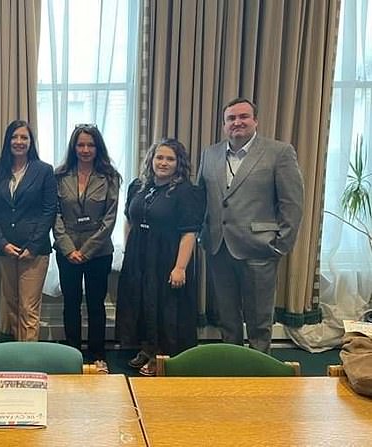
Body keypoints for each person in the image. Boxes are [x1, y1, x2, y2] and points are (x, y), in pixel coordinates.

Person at [197, 98, 304, 353]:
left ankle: (260, 376)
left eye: (243, 116)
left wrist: (280, 246)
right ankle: (233, 368)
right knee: (227, 319)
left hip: (260, 250)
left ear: (255, 120)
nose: (237, 122)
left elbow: (292, 204)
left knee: (259, 322)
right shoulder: (210, 154)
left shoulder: (279, 152)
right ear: (224, 125)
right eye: (231, 118)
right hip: (218, 248)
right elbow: (200, 198)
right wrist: (203, 236)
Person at [116, 139, 205, 376]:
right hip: (139, 255)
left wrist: (180, 267)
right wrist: (129, 251)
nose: (163, 163)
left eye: (170, 159)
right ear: (151, 159)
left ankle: (163, 356)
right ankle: (147, 348)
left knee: (165, 308)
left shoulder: (186, 191)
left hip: (168, 257)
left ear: (179, 163)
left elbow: (189, 233)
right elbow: (128, 219)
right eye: (159, 157)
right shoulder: (138, 185)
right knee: (141, 303)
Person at [53, 124, 121, 373]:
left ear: (97, 147)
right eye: (80, 144)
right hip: (66, 250)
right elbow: (55, 215)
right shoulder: (59, 176)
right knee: (70, 303)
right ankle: (72, 354)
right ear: (73, 147)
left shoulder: (110, 177)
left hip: (99, 252)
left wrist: (87, 250)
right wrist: (69, 249)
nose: (85, 149)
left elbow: (110, 219)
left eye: (90, 145)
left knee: (95, 305)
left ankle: (97, 355)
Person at [0, 120, 57, 341]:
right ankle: (16, 355)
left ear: (31, 142)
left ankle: (30, 361)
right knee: (12, 305)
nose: (19, 142)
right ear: (8, 141)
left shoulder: (44, 170)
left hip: (34, 252)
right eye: (15, 137)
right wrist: (2, 242)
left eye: (24, 137)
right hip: (4, 250)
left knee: (28, 308)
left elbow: (49, 210)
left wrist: (33, 246)